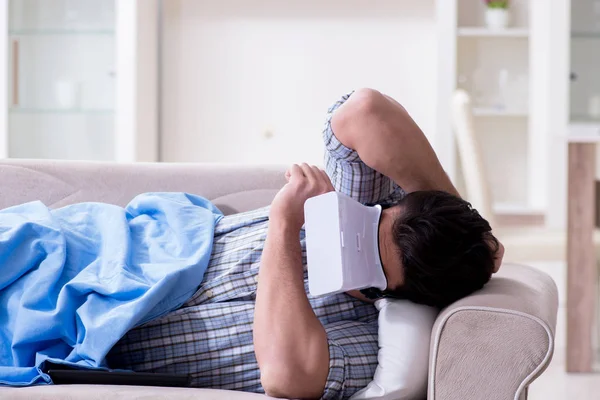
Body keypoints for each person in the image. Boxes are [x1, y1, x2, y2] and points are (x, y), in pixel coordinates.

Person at [107, 89, 504, 400]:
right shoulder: (348, 206)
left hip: (91, 337)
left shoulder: (364, 337)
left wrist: (283, 225)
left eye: (370, 264)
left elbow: (286, 377)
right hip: (110, 250)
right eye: (370, 225)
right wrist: (463, 220)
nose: (347, 243)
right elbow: (364, 110)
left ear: (398, 295)